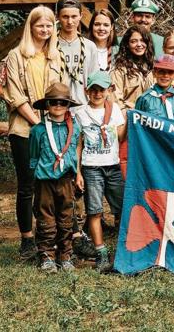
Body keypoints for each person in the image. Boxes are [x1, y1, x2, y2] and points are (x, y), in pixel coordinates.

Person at [3, 5, 66, 260]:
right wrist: (37, 121)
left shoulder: (55, 56)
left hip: (51, 126)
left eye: (49, 25)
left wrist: (52, 120)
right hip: (24, 129)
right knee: (27, 185)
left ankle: (47, 235)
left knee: (48, 183)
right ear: (31, 27)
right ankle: (27, 239)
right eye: (40, 25)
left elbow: (60, 91)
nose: (45, 29)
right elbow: (14, 94)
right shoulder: (16, 55)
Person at [73, 71, 125, 272]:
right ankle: (101, 252)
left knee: (120, 208)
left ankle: (123, 249)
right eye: (93, 90)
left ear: (108, 90)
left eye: (101, 90)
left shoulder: (115, 110)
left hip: (112, 165)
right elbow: (78, 144)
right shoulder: (81, 113)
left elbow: (120, 137)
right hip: (91, 167)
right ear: (87, 91)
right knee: (94, 210)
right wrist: (77, 172)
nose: (97, 93)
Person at [29, 83, 82, 271]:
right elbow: (34, 157)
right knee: (45, 217)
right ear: (47, 105)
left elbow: (75, 151)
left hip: (66, 179)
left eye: (62, 102)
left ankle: (65, 254)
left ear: (68, 105)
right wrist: (34, 177)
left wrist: (78, 175)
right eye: (53, 102)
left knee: (66, 216)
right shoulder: (38, 130)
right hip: (44, 181)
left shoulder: (74, 128)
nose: (58, 106)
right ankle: (46, 256)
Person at [110, 26, 154, 177]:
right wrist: (127, 118)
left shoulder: (153, 67)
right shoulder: (120, 69)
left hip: (149, 123)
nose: (139, 44)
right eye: (134, 41)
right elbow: (117, 100)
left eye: (142, 40)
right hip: (128, 122)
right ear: (127, 45)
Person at [54, 0, 100, 106]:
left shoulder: (89, 46)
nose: (70, 21)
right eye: (65, 17)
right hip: (57, 105)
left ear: (80, 16)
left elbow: (94, 80)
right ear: (57, 17)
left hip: (83, 106)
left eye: (74, 16)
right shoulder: (50, 45)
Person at [135, 55, 174, 122]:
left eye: (170, 72)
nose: (166, 75)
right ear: (154, 73)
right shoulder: (144, 99)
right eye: (161, 71)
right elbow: (138, 124)